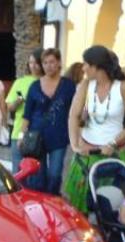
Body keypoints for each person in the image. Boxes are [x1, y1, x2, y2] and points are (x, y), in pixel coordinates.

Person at [64, 45, 125, 215]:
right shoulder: (86, 84)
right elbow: (73, 115)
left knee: (110, 202)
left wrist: (113, 143)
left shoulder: (123, 88)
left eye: (86, 64)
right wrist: (75, 143)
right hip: (87, 152)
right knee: (80, 202)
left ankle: (105, 234)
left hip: (113, 152)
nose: (83, 68)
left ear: (98, 66)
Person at [21, 48, 76, 194]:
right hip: (36, 138)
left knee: (55, 174)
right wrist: (22, 137)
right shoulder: (34, 86)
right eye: (45, 62)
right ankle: (40, 205)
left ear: (59, 63)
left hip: (59, 137)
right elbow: (27, 115)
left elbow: (75, 112)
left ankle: (52, 203)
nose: (48, 65)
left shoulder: (69, 86)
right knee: (38, 176)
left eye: (52, 62)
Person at [5, 48, 42, 173]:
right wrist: (19, 100)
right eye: (31, 62)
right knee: (18, 171)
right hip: (19, 132)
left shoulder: (47, 82)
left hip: (39, 134)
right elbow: (10, 107)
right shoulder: (20, 82)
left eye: (36, 62)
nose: (33, 66)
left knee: (37, 173)